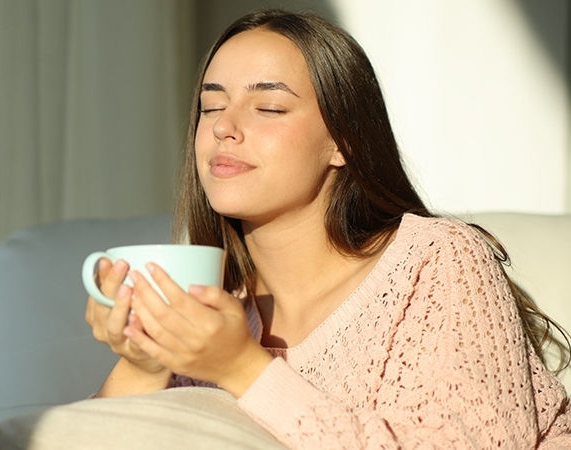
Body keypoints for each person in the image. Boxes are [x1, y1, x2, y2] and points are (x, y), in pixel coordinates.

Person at [84, 9, 571, 449]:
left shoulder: (436, 261)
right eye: (211, 108)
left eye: (269, 108)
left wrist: (241, 368)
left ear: (345, 142)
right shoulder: (212, 313)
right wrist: (144, 363)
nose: (223, 127)